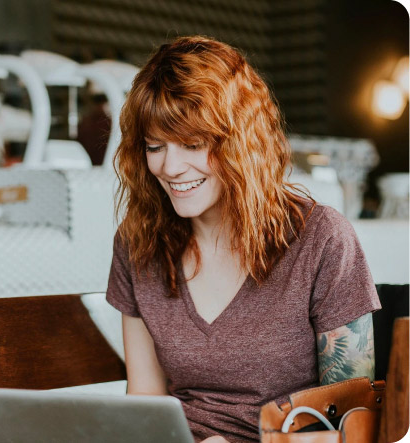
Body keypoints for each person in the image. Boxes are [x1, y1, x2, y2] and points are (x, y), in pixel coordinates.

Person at [106, 36, 381, 443]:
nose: (170, 167)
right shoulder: (137, 243)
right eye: (155, 146)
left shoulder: (321, 239)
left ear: (240, 143)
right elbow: (144, 404)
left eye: (194, 144)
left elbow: (357, 423)